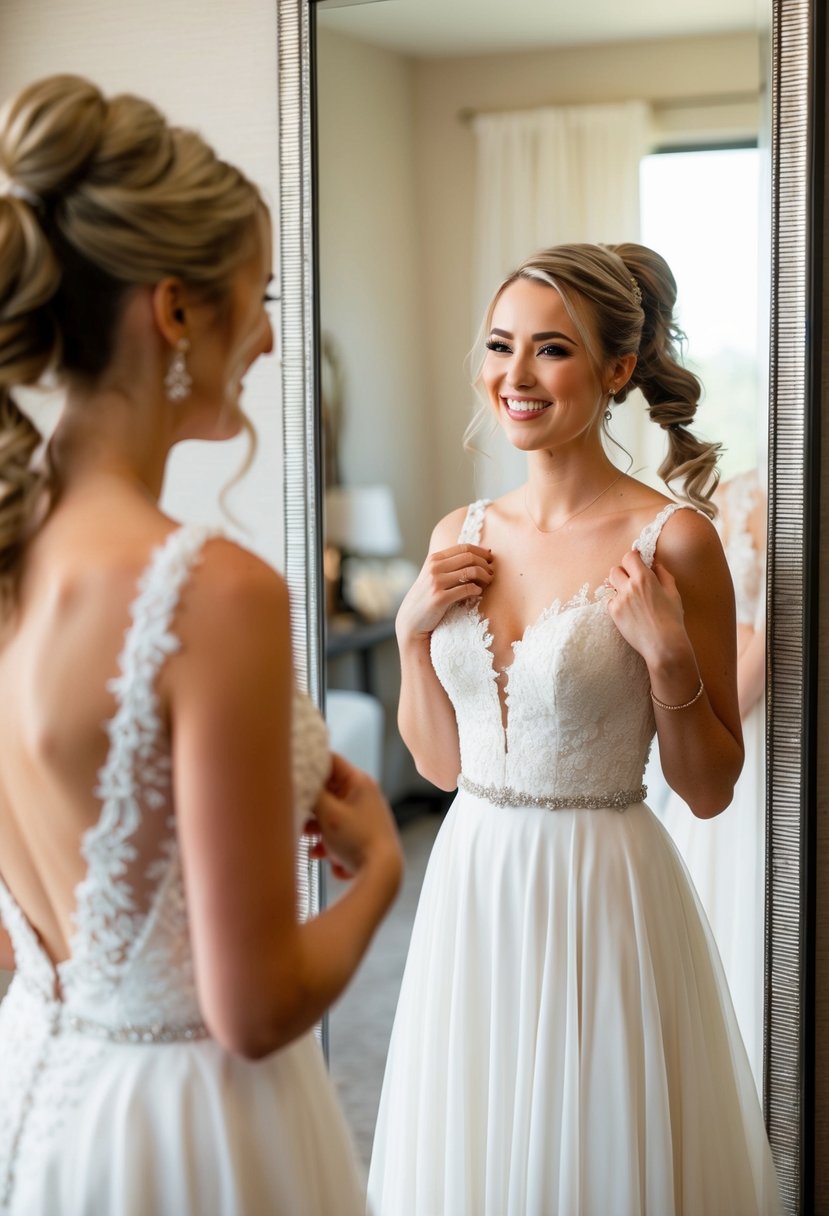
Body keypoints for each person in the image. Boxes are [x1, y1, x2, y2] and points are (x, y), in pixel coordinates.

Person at [0, 74, 402, 1215]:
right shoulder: (208, 593)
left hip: (41, 1096)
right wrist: (378, 870)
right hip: (187, 1130)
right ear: (175, 310)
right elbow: (255, 1006)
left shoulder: (6, 549)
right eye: (257, 294)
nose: (272, 335)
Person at [367, 243, 780, 1214]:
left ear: (616, 369)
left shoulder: (675, 539)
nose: (513, 377)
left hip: (603, 888)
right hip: (472, 880)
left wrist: (671, 662)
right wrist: (408, 634)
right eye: (499, 345)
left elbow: (712, 785)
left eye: (549, 350)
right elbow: (437, 761)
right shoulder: (455, 535)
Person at [656, 467, 767, 1094]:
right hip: (743, 706)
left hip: (756, 708)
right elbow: (745, 637)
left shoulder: (744, 492)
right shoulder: (738, 493)